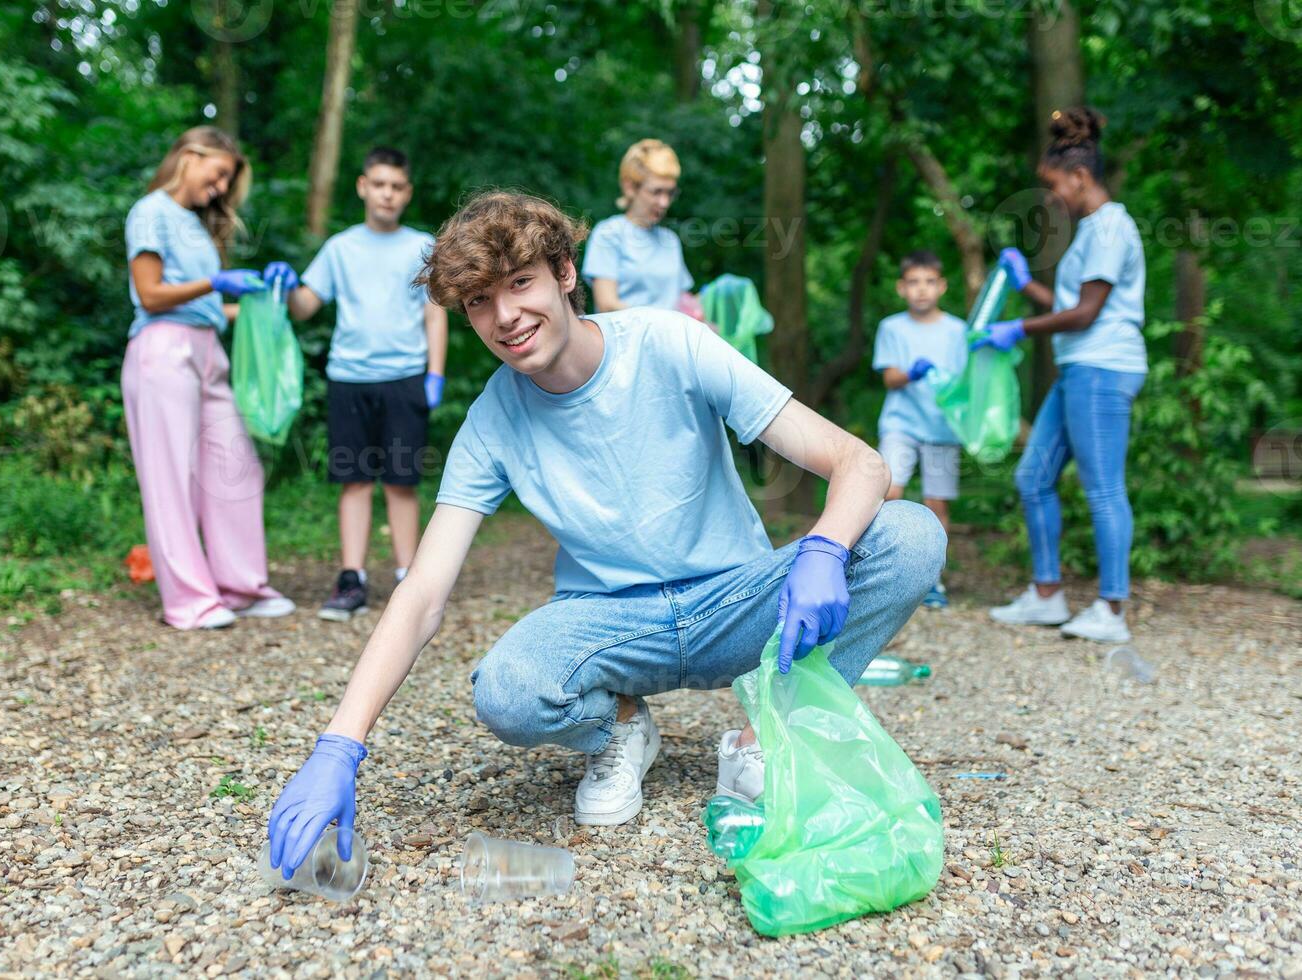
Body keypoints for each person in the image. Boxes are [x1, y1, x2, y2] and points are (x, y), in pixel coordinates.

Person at [265, 191, 945, 878]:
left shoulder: (668, 341)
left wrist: (825, 550)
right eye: (478, 302)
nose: (505, 317)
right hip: (614, 626)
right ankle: (619, 725)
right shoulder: (493, 419)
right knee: (507, 688)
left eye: (521, 283)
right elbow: (422, 596)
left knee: (910, 535)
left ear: (564, 273)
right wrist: (338, 748)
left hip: (736, 603)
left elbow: (861, 463)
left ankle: (769, 732)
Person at [976, 107, 1147, 643]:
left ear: (1079, 177)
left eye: (1053, 188)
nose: (1052, 199)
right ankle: (1047, 597)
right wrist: (1026, 286)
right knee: (1033, 476)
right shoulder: (1092, 231)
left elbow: (1087, 314)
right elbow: (1073, 304)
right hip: (1080, 367)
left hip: (1103, 367)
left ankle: (1112, 611)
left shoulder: (1112, 229)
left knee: (1102, 489)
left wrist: (1019, 328)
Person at [121, 125, 295, 631]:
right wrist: (216, 281)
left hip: (206, 349)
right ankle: (190, 602)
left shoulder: (196, 227)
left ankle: (240, 587)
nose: (219, 190)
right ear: (191, 156)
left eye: (225, 182)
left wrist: (263, 297)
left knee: (234, 465)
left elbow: (211, 308)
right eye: (218, 175)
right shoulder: (150, 211)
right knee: (169, 479)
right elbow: (150, 294)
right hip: (163, 348)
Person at [265, 147, 448, 620]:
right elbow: (306, 306)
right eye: (379, 184)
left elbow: (436, 315)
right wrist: (284, 288)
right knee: (353, 479)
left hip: (406, 378)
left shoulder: (422, 246)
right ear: (363, 187)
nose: (387, 193)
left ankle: (410, 579)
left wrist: (435, 373)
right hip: (349, 378)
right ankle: (352, 580)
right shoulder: (340, 247)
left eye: (397, 186)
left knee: (402, 481)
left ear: (406, 193)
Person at [871, 251, 968, 609]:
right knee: (889, 492)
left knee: (936, 503)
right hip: (902, 426)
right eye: (913, 282)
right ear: (901, 288)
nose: (921, 290)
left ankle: (931, 581)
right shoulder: (892, 328)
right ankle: (882, 575)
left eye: (929, 282)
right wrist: (913, 371)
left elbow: (965, 382)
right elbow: (890, 378)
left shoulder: (958, 331)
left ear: (941, 287)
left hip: (943, 429)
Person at [582, 139, 694, 314]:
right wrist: (664, 324)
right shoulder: (609, 233)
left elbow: (683, 301)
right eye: (656, 192)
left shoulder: (670, 240)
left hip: (671, 340)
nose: (664, 203)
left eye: (670, 193)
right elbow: (607, 305)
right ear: (629, 187)